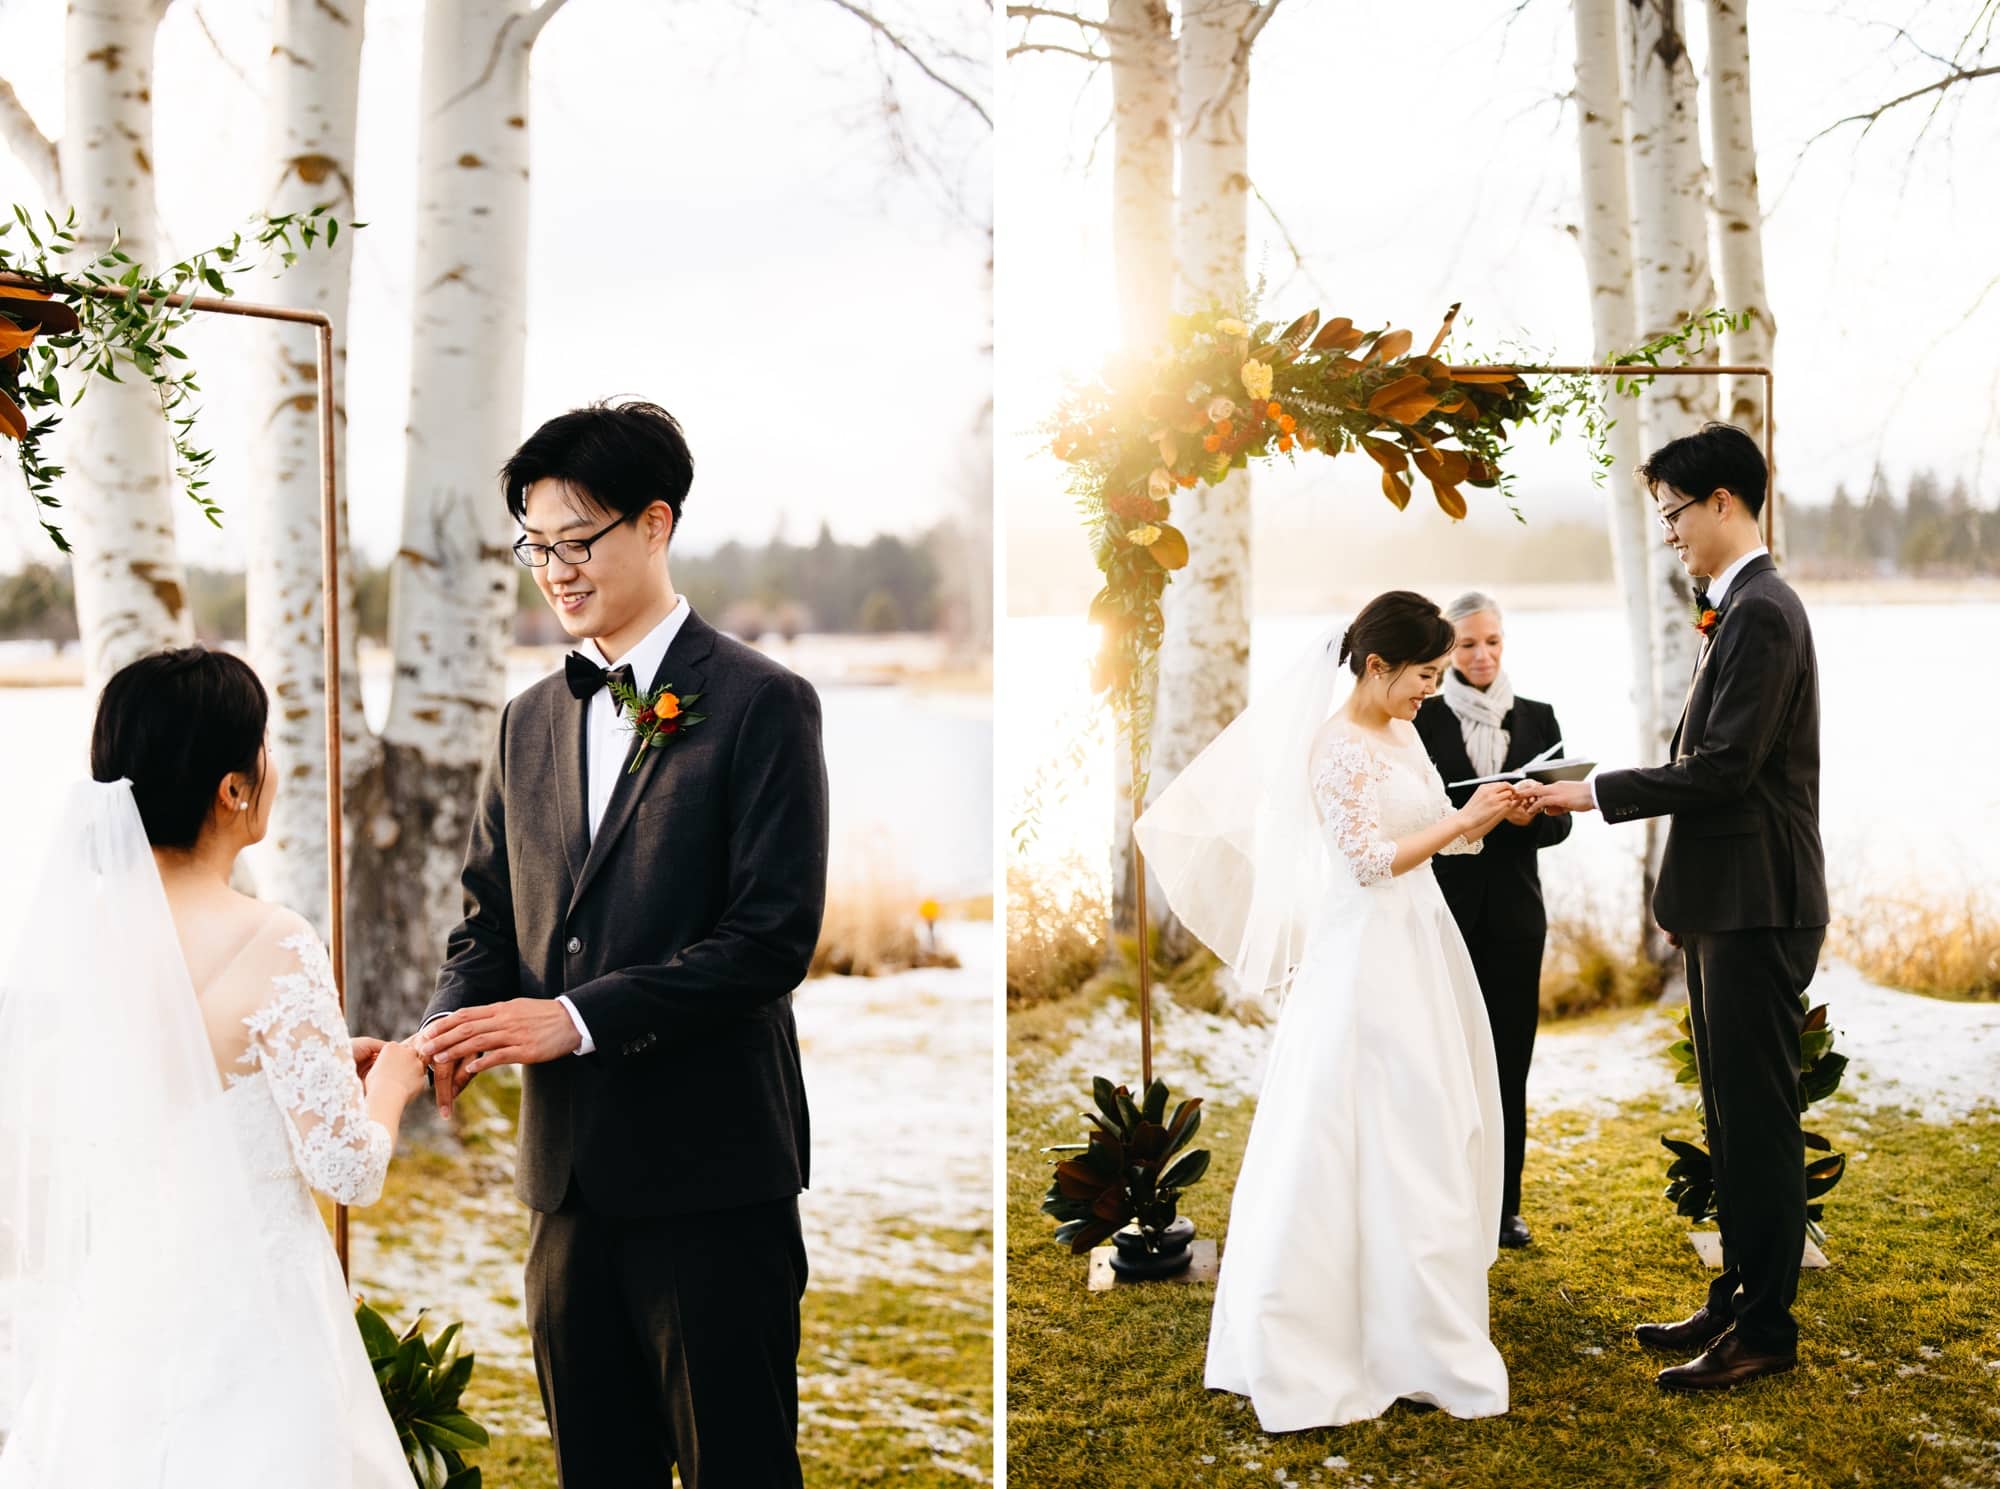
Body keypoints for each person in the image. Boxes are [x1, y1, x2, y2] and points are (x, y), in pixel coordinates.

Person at [412, 399, 830, 1486]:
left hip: (713, 1172)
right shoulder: (526, 721)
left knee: (735, 1461)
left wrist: (577, 1019)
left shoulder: (762, 704)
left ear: (655, 523)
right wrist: (433, 1042)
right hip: (565, 1183)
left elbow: (770, 938)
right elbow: (489, 919)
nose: (553, 569)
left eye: (576, 540)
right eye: (535, 546)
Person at [0, 647, 427, 1487]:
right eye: (262, 746)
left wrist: (308, 1068)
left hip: (121, 1311)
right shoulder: (274, 939)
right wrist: (394, 1079)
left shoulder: (83, 940)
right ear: (233, 788)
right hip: (254, 1319)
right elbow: (345, 1167)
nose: (271, 767)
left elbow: (168, 1082)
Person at [1136, 590, 1522, 1431]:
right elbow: (1367, 860)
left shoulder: (1405, 731)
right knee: (1366, 1128)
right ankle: (1331, 1335)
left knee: (1428, 1129)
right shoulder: (1335, 748)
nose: (1433, 689)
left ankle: (1422, 1330)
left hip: (1423, 946)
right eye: (1424, 674)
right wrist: (1458, 815)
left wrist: (1484, 813)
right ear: (1376, 666)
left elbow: (1434, 832)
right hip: (1365, 962)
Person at [1519, 422, 1825, 1393]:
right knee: (1728, 1116)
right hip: (1724, 900)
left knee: (1758, 1119)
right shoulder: (1736, 611)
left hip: (1757, 902)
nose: (1667, 533)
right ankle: (1738, 1292)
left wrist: (1588, 792)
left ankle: (1766, 1330)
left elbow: (1724, 770)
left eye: (1672, 513)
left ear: (1722, 504)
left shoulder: (1763, 614)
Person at [1415, 591, 1572, 1250]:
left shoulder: (1539, 717)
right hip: (1442, 914)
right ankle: (1447, 1195)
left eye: (1494, 642)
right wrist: (1468, 819)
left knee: (1511, 1060)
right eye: (1470, 643)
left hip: (1515, 915)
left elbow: (1563, 821)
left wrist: (1533, 816)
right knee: (1442, 1059)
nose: (1483, 654)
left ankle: (1505, 1203)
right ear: (1449, 649)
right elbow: (1412, 818)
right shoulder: (1419, 721)